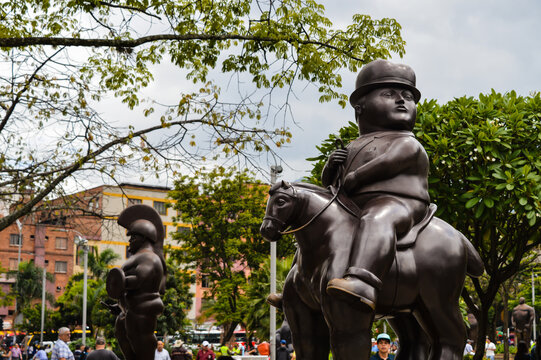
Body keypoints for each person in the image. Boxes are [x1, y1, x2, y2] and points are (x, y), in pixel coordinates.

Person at [323, 59, 431, 312]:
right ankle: (299, 283)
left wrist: (356, 177)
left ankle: (362, 281)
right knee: (320, 226)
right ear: (360, 108)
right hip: (350, 205)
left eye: (407, 96)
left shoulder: (407, 142)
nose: (401, 100)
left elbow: (388, 163)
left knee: (377, 217)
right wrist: (331, 166)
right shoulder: (352, 145)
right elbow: (330, 183)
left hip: (399, 203)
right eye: (389, 94)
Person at [105, 205, 167, 360]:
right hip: (128, 311)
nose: (129, 242)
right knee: (124, 339)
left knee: (140, 343)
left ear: (144, 237)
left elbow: (140, 279)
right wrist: (119, 304)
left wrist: (122, 282)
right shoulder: (138, 257)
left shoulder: (149, 258)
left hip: (142, 310)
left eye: (133, 238)